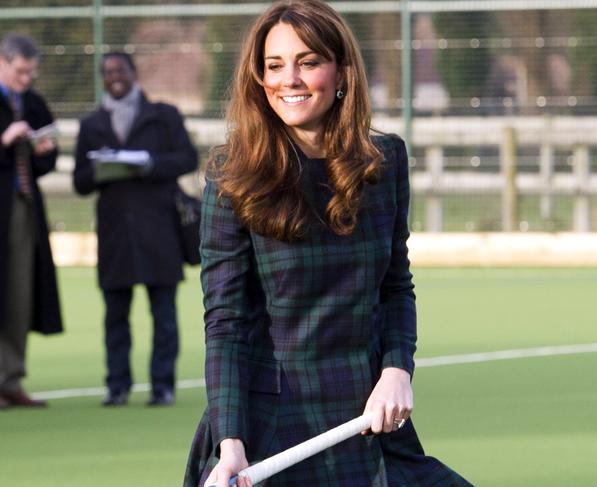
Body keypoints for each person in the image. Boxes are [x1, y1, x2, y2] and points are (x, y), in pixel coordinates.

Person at [184, 1, 472, 485]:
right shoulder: (231, 178)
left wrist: (397, 369)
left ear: (341, 74)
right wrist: (229, 443)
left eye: (308, 62)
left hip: (365, 418)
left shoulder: (386, 161)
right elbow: (226, 324)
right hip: (268, 429)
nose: (288, 79)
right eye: (274, 66)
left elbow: (395, 286)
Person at [73, 52, 198, 407]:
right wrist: (102, 168)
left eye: (120, 70)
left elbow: (187, 158)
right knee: (115, 318)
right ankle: (117, 386)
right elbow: (80, 182)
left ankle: (163, 386)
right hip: (115, 235)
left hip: (159, 230)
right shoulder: (91, 125)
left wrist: (148, 163)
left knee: (164, 317)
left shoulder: (163, 116)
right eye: (108, 72)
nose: (114, 76)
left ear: (133, 72)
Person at [0, 33, 63, 410]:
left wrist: (43, 151)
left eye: (30, 74)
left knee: (19, 295)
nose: (26, 80)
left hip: (22, 211)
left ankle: (10, 380)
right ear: (3, 62)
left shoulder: (33, 103)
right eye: (21, 72)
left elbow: (45, 163)